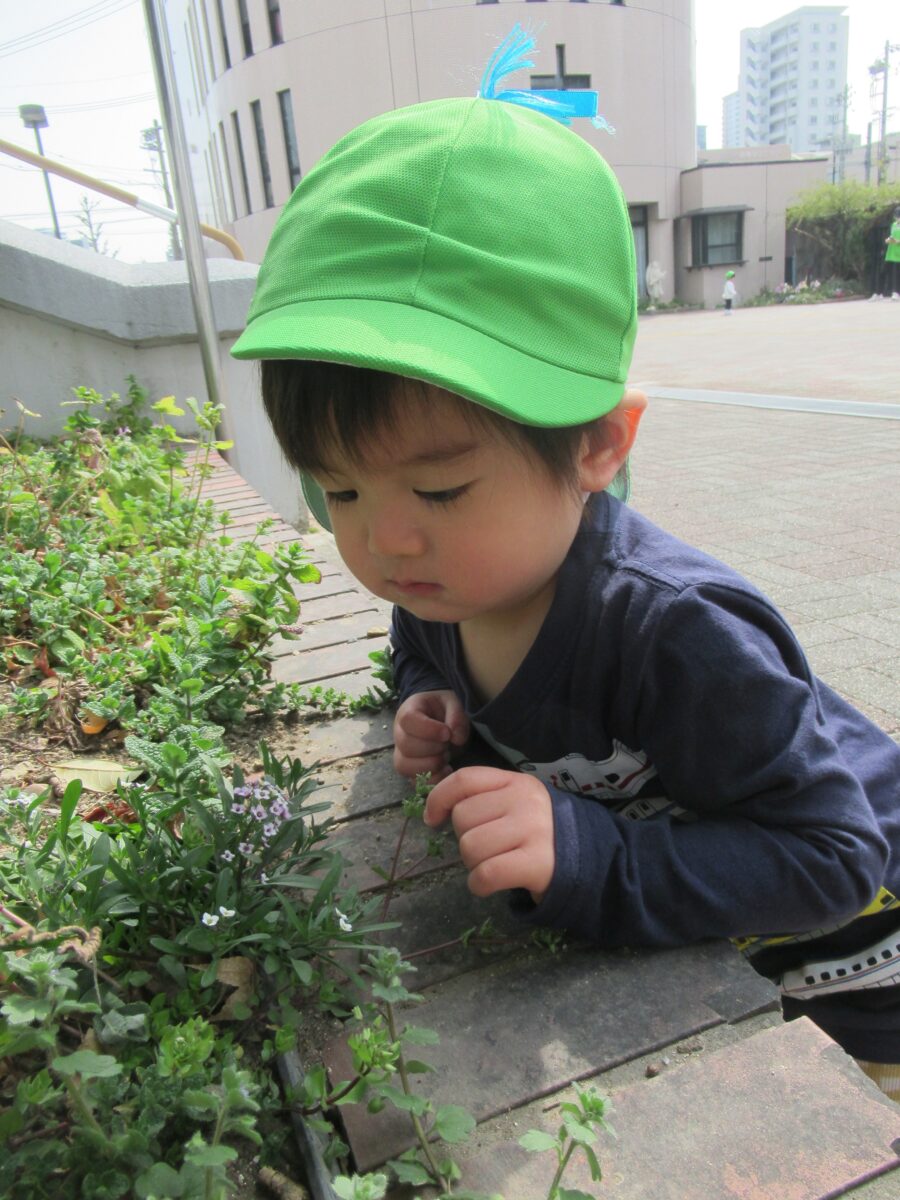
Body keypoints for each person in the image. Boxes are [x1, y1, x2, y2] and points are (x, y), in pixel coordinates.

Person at [231, 44, 900, 1099]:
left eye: (439, 489)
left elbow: (834, 856)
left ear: (597, 446)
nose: (386, 543)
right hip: (724, 934)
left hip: (864, 949)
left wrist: (591, 855)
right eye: (340, 489)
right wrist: (428, 699)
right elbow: (416, 648)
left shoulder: (679, 633)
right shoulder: (444, 589)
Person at [884, 206, 900, 301]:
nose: (897, 219)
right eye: (896, 217)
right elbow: (891, 235)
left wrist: (897, 241)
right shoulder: (893, 225)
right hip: (893, 253)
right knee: (895, 273)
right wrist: (888, 240)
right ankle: (895, 292)